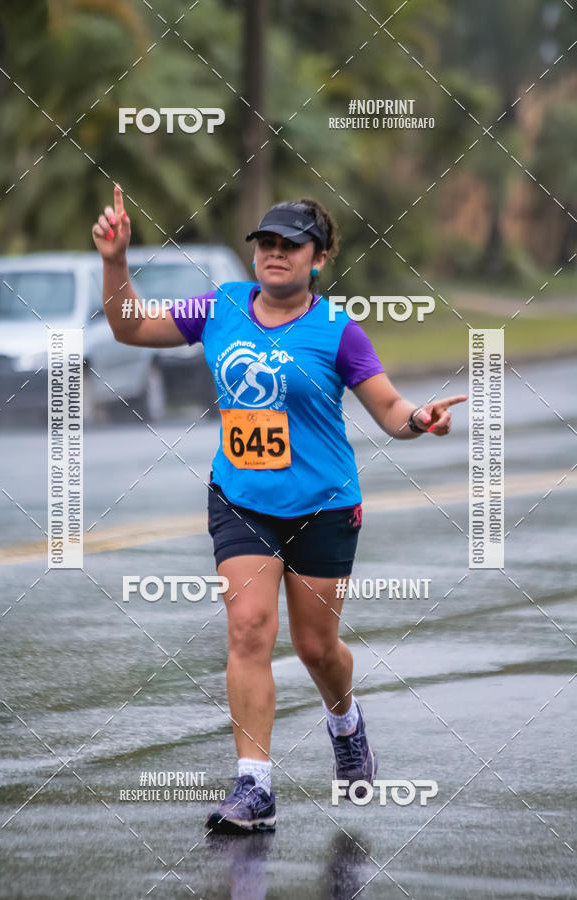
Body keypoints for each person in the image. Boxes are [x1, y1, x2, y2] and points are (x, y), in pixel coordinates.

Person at [92, 186, 466, 834]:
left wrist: (420, 420)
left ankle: (345, 723)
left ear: (317, 258)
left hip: (323, 505)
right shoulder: (221, 306)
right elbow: (129, 325)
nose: (274, 253)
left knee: (317, 647)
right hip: (242, 500)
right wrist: (116, 261)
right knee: (248, 628)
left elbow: (388, 409)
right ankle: (254, 788)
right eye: (265, 243)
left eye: (290, 245)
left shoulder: (337, 332)